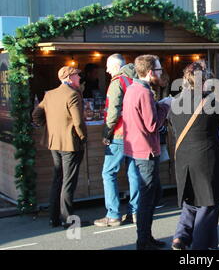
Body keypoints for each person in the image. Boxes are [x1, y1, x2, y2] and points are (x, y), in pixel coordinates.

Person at [169, 62, 219, 250]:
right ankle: (201, 247)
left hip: (183, 156)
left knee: (191, 199)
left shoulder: (175, 102)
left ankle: (180, 238)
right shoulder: (210, 101)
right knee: (208, 204)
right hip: (205, 157)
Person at [122, 55, 171, 250]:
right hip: (146, 151)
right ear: (150, 72)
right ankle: (143, 240)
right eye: (158, 70)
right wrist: (166, 105)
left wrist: (159, 105)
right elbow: (152, 124)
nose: (160, 73)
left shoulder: (132, 89)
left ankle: (146, 238)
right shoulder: (145, 92)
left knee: (152, 193)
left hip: (136, 149)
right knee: (147, 197)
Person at [32, 66, 87, 228]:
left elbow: (36, 114)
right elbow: (78, 122)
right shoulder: (73, 94)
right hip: (70, 144)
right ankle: (68, 220)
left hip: (54, 142)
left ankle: (53, 218)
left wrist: (49, 128)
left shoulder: (50, 94)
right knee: (68, 182)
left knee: (58, 179)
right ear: (70, 78)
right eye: (77, 75)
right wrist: (83, 138)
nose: (79, 78)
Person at [94, 54, 139, 227]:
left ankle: (113, 214)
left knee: (108, 173)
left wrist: (106, 132)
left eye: (108, 66)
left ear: (115, 66)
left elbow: (112, 111)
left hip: (119, 133)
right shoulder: (136, 80)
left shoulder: (117, 82)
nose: (106, 70)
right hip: (135, 134)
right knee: (133, 173)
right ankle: (135, 212)